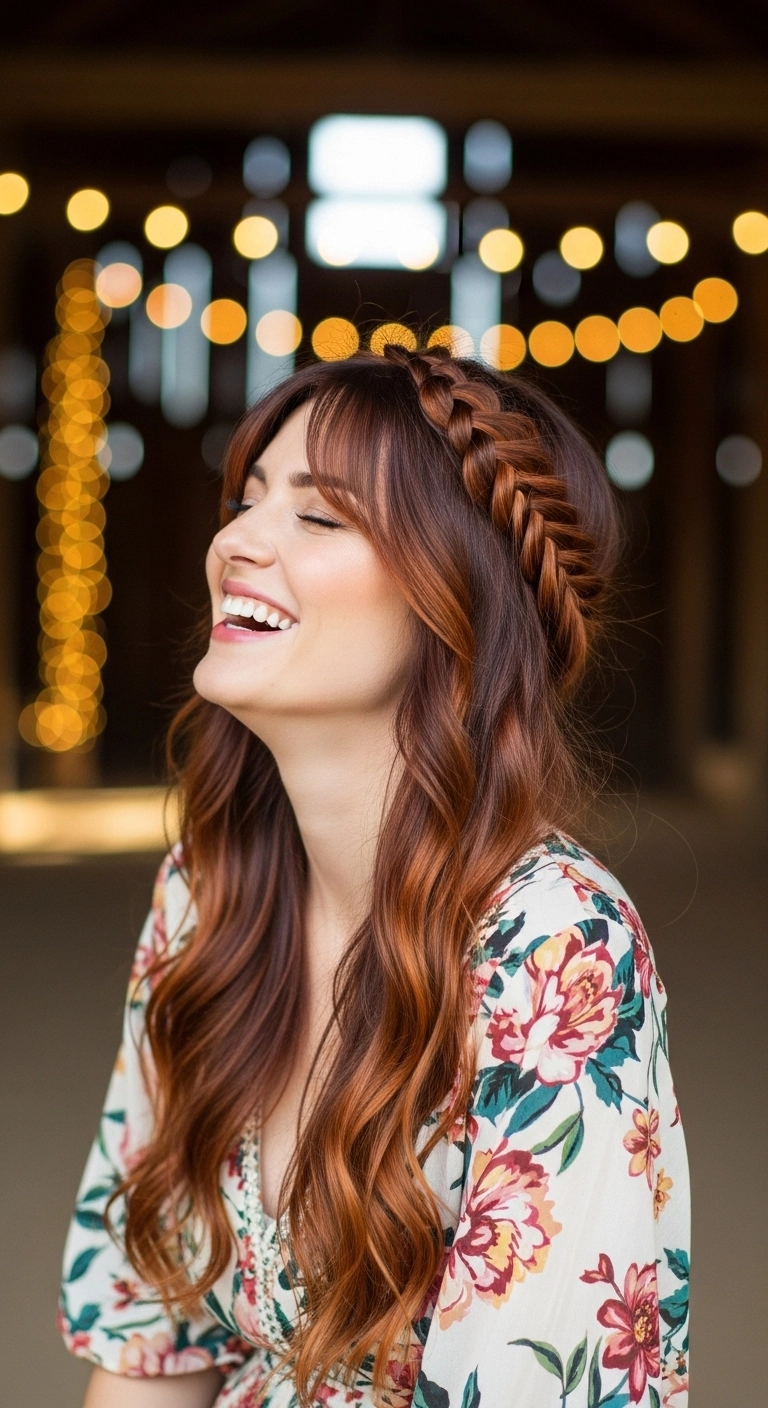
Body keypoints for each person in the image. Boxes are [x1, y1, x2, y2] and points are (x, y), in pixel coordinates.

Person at [60, 346, 690, 1408]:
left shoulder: (556, 949)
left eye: (318, 517)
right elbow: (148, 1338)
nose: (236, 542)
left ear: (453, 597)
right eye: (249, 498)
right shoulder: (207, 892)